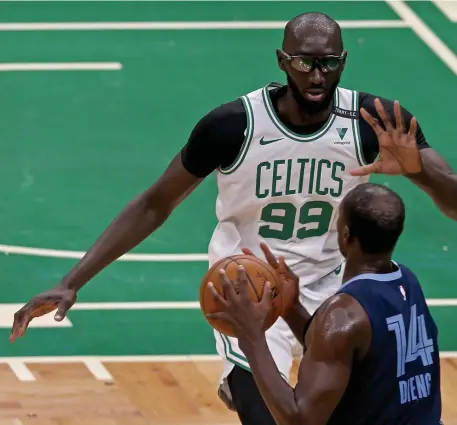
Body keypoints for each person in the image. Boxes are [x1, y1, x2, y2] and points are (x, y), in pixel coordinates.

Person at [10, 10, 455, 425]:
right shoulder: (233, 126)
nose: (317, 76)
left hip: (337, 291)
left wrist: (420, 172)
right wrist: (73, 280)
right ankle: (242, 377)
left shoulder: (371, 122)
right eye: (304, 63)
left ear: (343, 61)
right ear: (283, 60)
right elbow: (154, 203)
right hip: (250, 285)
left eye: (329, 63)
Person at [208, 182, 441, 425]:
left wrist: (252, 337)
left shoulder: (344, 314)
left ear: (346, 234)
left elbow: (299, 420)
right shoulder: (407, 283)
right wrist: (291, 309)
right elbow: (348, 351)